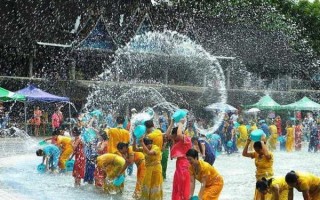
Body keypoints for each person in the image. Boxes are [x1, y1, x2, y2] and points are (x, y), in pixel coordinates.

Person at [165, 118, 192, 200]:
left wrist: (181, 123)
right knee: (177, 188)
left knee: (183, 188)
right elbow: (167, 135)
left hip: (185, 166)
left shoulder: (186, 139)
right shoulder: (177, 141)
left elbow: (179, 134)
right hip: (179, 166)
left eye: (173, 137)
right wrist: (172, 123)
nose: (172, 138)